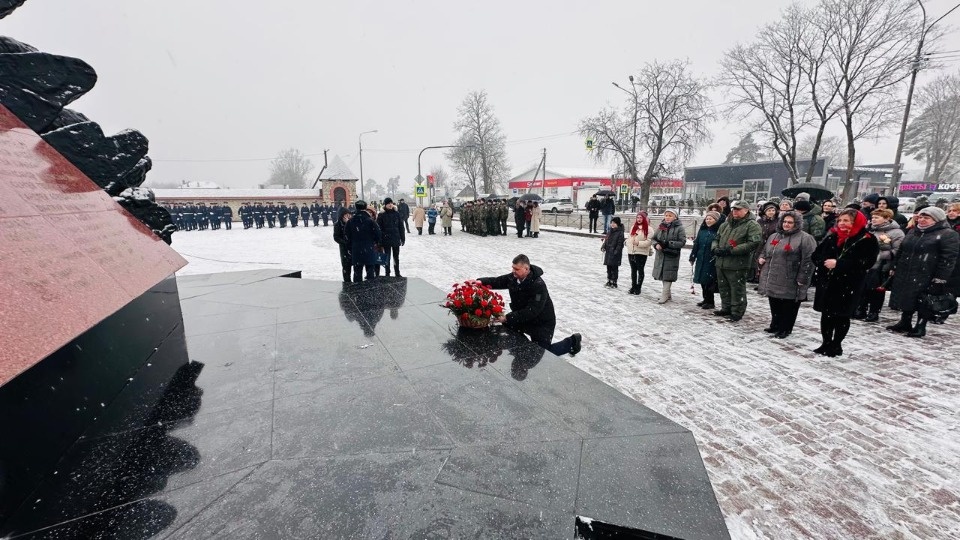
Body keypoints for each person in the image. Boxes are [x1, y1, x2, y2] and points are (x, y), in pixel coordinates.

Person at [477, 254, 582, 357]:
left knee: (542, 355)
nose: (513, 271)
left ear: (526, 269)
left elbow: (533, 310)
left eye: (516, 269)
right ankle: (524, 347)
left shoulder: (538, 285)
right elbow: (497, 281)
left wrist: (507, 318)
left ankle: (572, 342)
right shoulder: (514, 277)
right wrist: (480, 282)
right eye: (513, 268)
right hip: (523, 318)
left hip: (541, 323)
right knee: (510, 328)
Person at [811, 209, 879, 356]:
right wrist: (823, 263)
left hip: (849, 284)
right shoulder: (833, 237)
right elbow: (816, 255)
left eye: (846, 221)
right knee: (827, 315)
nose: (842, 223)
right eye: (840, 220)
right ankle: (826, 342)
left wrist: (839, 264)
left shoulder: (867, 239)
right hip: (828, 282)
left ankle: (836, 344)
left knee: (841, 315)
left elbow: (866, 262)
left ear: (856, 222)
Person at [887, 206, 959, 338]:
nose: (921, 220)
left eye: (926, 218)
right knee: (907, 296)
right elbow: (902, 250)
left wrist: (940, 278)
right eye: (920, 217)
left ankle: (920, 326)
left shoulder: (948, 234)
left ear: (937, 219)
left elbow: (948, 259)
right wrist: (894, 265)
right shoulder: (913, 231)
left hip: (928, 272)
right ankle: (905, 321)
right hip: (907, 270)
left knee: (925, 300)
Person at [757, 211, 816, 338]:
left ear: (797, 224)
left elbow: (809, 260)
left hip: (791, 277)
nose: (786, 224)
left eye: (790, 222)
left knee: (788, 305)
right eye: (784, 221)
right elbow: (765, 250)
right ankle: (775, 324)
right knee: (774, 301)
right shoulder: (774, 236)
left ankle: (785, 328)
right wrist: (762, 257)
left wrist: (803, 277)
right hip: (773, 276)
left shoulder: (805, 238)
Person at [711, 200, 762, 322]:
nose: (735, 211)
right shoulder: (725, 224)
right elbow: (716, 238)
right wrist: (715, 248)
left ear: (746, 210)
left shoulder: (752, 225)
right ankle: (726, 308)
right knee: (723, 287)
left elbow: (753, 243)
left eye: (738, 209)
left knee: (737, 289)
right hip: (721, 262)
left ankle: (737, 311)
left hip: (738, 264)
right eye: (734, 209)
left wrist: (731, 250)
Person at [855, 209, 904, 322]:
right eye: (872, 217)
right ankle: (861, 308)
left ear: (887, 218)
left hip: (881, 265)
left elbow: (898, 250)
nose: (873, 219)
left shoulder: (896, 233)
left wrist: (879, 255)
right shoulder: (869, 229)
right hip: (865, 264)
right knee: (863, 287)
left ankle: (874, 311)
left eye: (877, 217)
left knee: (876, 290)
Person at [652, 209, 686, 304]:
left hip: (671, 255)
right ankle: (668, 294)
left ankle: (664, 295)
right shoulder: (661, 226)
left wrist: (669, 244)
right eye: (666, 215)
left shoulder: (679, 228)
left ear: (675, 217)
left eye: (670, 216)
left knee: (668, 275)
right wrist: (656, 244)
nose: (667, 217)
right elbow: (653, 238)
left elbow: (682, 242)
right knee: (663, 274)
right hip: (661, 255)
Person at [345, 200, 382, 282]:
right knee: (370, 274)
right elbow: (378, 235)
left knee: (357, 273)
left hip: (356, 250)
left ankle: (357, 289)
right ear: (365, 208)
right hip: (369, 249)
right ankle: (370, 289)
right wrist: (374, 242)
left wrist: (350, 248)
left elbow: (347, 237)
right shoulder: (371, 221)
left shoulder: (350, 221)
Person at [690, 211, 721, 309]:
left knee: (709, 281)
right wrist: (693, 256)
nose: (708, 221)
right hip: (701, 258)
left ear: (716, 220)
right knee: (702, 280)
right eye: (707, 219)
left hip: (711, 259)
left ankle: (710, 301)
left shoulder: (718, 232)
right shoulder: (702, 231)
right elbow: (696, 244)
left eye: (710, 219)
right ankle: (705, 299)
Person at [376, 197, 406, 277]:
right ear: (385, 205)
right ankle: (387, 272)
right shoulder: (381, 215)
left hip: (396, 238)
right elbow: (379, 228)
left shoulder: (396, 213)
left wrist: (402, 238)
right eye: (388, 203)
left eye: (391, 203)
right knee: (387, 257)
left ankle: (397, 272)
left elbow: (401, 227)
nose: (390, 205)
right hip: (386, 239)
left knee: (396, 257)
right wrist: (380, 240)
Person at [626, 210, 653, 295]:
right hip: (631, 251)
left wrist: (639, 243)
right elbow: (629, 237)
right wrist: (627, 243)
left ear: (644, 218)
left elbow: (649, 241)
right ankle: (633, 286)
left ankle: (638, 287)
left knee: (640, 270)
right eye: (637, 217)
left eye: (641, 217)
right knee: (633, 270)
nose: (639, 219)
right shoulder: (633, 227)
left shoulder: (649, 229)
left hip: (641, 252)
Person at [753, 202, 779, 283]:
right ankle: (759, 279)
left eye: (773, 210)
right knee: (759, 262)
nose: (771, 212)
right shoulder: (760, 221)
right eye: (769, 210)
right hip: (760, 244)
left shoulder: (778, 221)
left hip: (773, 244)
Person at [601, 216, 625, 288]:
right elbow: (606, 240)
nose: (612, 224)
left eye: (614, 223)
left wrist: (616, 251)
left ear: (618, 224)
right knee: (609, 267)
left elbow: (620, 244)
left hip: (615, 254)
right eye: (611, 223)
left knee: (614, 268)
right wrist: (603, 247)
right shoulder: (610, 231)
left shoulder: (620, 232)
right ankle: (609, 280)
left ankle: (614, 282)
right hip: (608, 252)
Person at [333, 207, 353, 283]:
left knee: (355, 265)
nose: (348, 216)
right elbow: (336, 237)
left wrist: (349, 223)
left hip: (353, 247)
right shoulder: (338, 224)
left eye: (348, 214)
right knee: (346, 266)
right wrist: (345, 242)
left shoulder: (352, 222)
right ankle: (347, 282)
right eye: (346, 215)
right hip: (344, 248)